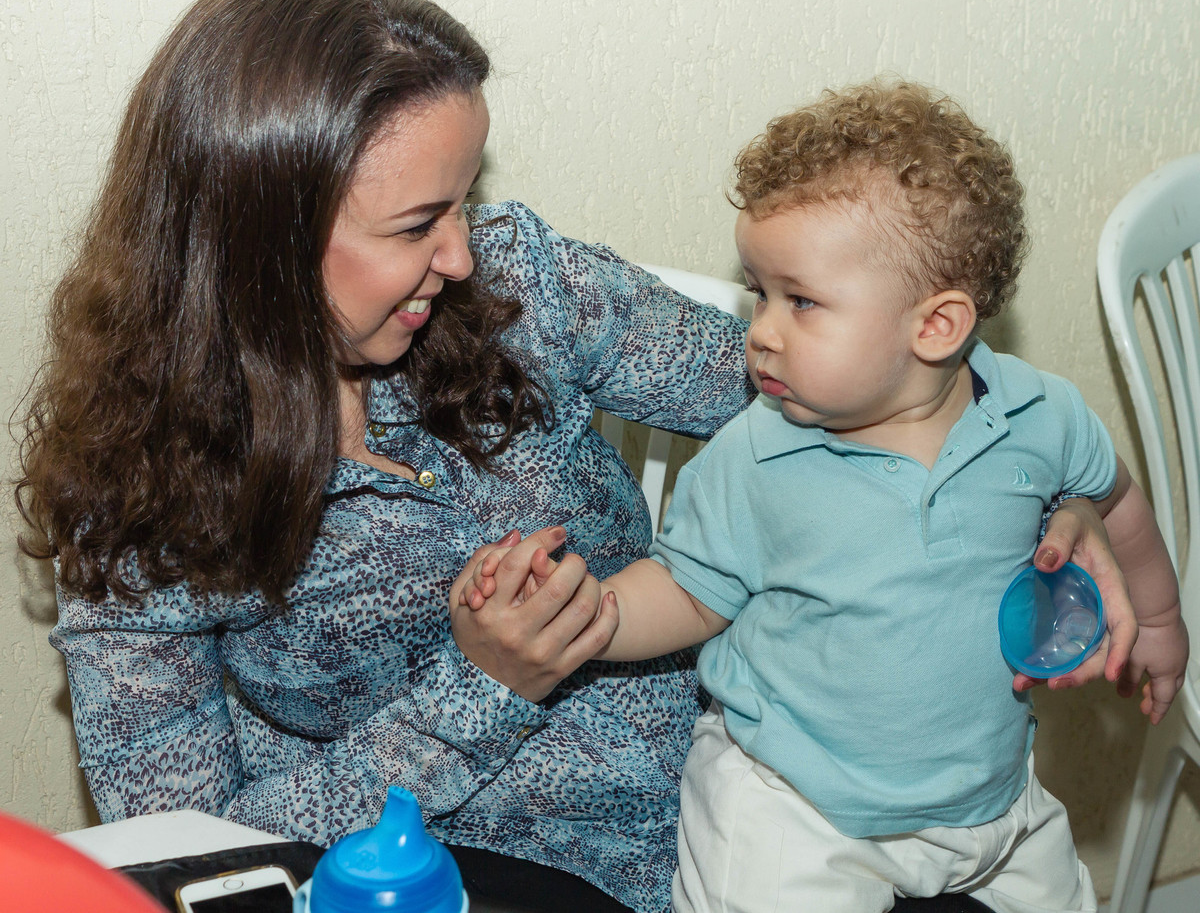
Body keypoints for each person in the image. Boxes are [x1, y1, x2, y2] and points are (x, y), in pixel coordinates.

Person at [14, 0, 1132, 913]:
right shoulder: (141, 497)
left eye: (464, 199)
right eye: (417, 223)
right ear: (261, 237)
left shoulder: (519, 285)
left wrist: (1033, 483)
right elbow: (192, 843)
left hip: (774, 789)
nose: (462, 254)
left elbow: (850, 375)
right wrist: (483, 686)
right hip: (469, 868)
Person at [463, 80, 1188, 912]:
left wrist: (1161, 620)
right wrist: (585, 615)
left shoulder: (1039, 413)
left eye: (801, 301)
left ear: (937, 326)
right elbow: (689, 590)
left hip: (994, 802)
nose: (762, 329)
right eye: (759, 291)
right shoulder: (760, 451)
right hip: (795, 808)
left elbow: (1118, 500)